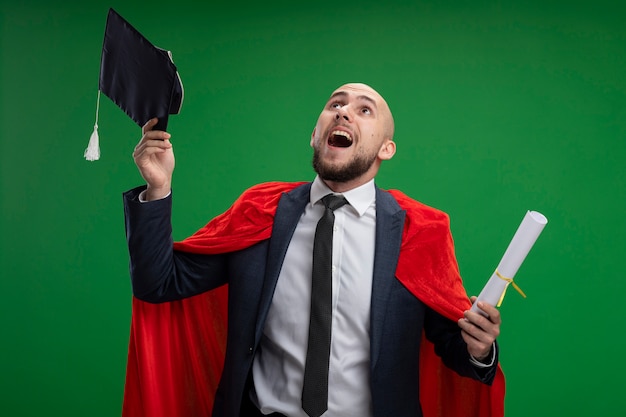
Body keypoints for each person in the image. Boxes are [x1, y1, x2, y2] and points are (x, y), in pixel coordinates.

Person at [122, 83, 504, 417]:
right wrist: (158, 188)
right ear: (314, 135)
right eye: (335, 104)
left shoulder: (418, 230)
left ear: (386, 149)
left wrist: (479, 348)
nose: (344, 112)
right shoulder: (262, 211)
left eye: (364, 109)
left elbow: (456, 350)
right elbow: (158, 284)